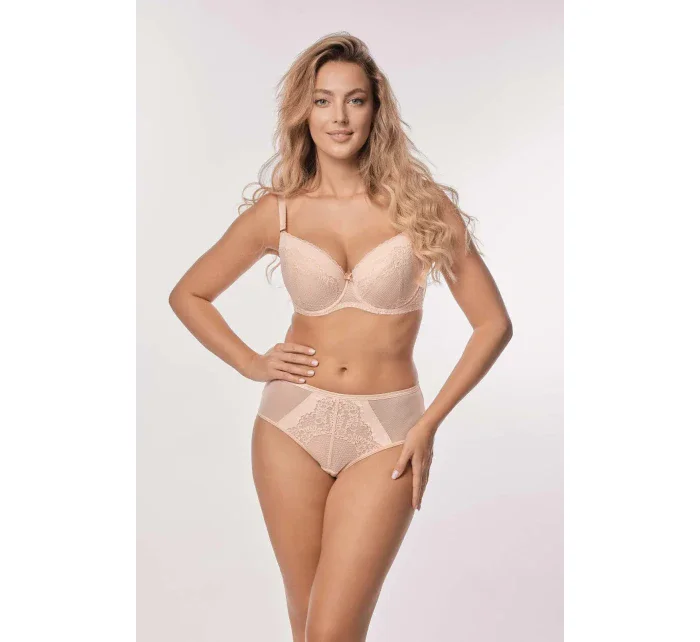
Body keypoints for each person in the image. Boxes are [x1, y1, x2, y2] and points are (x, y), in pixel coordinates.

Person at [169, 32, 512, 642]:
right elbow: (189, 295)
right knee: (306, 625)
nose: (339, 117)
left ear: (376, 109)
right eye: (323, 100)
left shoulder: (420, 207)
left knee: (332, 632)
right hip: (290, 425)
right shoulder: (279, 211)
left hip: (389, 431)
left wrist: (428, 424)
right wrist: (251, 362)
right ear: (304, 111)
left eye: (355, 100)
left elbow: (493, 325)